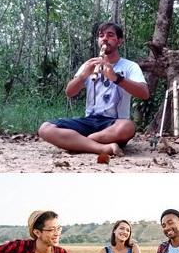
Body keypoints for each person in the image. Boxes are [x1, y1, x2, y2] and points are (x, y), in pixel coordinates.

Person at [38, 22, 149, 156]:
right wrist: (83, 76)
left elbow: (144, 93)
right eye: (101, 36)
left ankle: (82, 143)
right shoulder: (89, 64)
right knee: (45, 128)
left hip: (113, 124)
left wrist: (116, 78)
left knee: (128, 127)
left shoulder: (130, 66)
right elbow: (69, 92)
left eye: (110, 35)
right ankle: (102, 148)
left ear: (119, 41)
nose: (104, 39)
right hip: (89, 120)